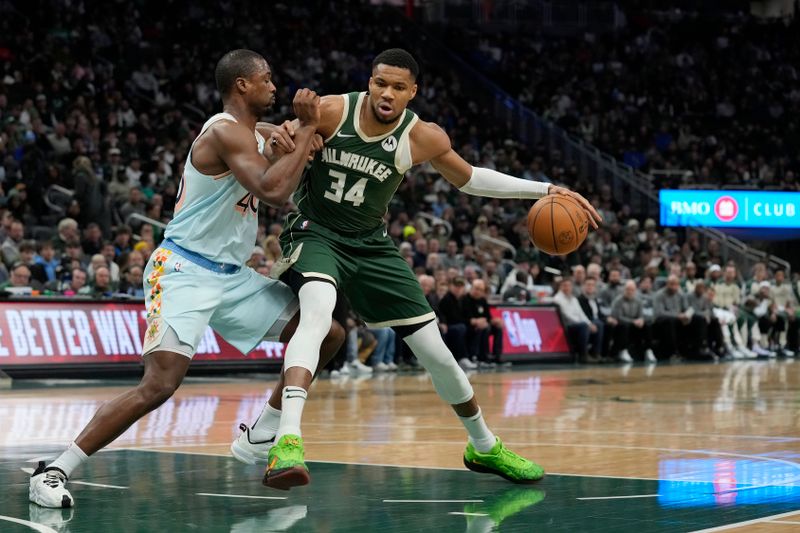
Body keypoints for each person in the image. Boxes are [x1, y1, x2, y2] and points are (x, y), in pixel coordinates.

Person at [236, 48, 601, 490]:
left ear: (413, 92)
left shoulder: (422, 136)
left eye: (397, 87)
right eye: (379, 83)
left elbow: (471, 178)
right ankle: (287, 439)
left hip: (371, 245)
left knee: (438, 354)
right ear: (369, 83)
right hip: (316, 232)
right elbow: (258, 130)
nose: (386, 93)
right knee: (317, 312)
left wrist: (546, 188)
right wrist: (286, 136)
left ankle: (484, 447)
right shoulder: (333, 110)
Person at [29, 49, 343, 509]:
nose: (275, 87)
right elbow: (274, 191)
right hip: (183, 271)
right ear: (242, 85)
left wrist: (297, 138)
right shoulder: (222, 132)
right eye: (267, 79)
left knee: (326, 333)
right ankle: (54, 470)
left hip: (232, 277)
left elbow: (277, 154)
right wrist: (308, 129)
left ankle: (263, 430)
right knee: (159, 385)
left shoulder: (252, 132)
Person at [553, 278, 602, 363]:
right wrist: (585, 324)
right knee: (583, 326)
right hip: (566, 326)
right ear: (560, 287)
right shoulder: (557, 299)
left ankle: (595, 353)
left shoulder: (574, 299)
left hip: (578, 324)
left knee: (598, 325)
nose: (567, 288)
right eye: (564, 286)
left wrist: (589, 323)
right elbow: (567, 316)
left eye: (569, 286)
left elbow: (581, 314)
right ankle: (583, 355)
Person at [611, 281, 656, 363]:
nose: (630, 291)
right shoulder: (618, 301)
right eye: (628, 289)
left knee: (647, 325)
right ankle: (623, 351)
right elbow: (618, 317)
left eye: (632, 290)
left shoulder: (638, 301)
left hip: (634, 325)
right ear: (624, 290)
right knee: (623, 326)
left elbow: (641, 315)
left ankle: (648, 350)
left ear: (635, 290)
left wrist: (641, 320)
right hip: (622, 325)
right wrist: (633, 321)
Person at [462, 279, 504, 367]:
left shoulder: (482, 301)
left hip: (483, 325)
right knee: (484, 328)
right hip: (469, 325)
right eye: (476, 288)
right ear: (471, 288)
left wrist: (495, 321)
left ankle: (497, 357)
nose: (477, 291)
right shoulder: (465, 299)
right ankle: (481, 357)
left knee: (498, 328)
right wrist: (476, 321)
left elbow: (488, 317)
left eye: (480, 290)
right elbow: (463, 317)